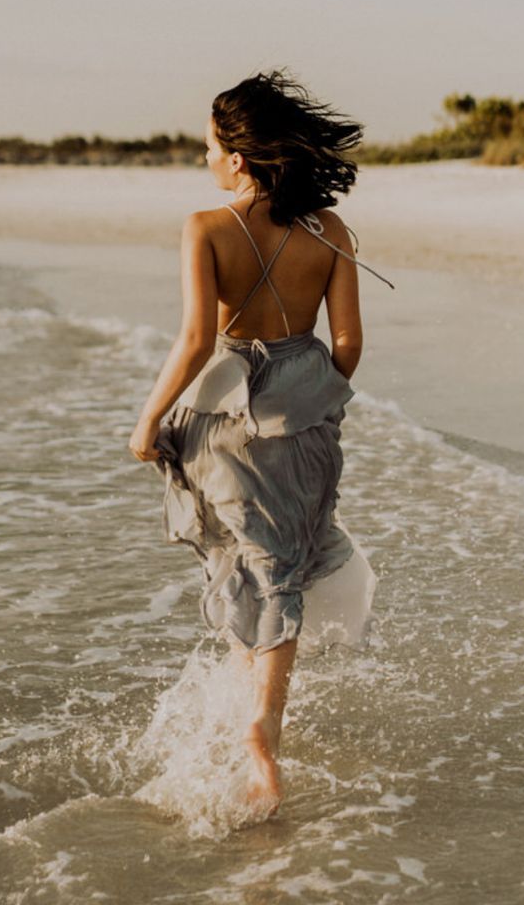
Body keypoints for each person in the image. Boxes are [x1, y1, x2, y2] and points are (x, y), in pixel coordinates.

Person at [128, 70, 393, 815]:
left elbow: (193, 342)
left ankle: (258, 738)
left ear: (239, 159)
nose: (206, 159)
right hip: (302, 416)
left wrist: (148, 423)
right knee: (280, 562)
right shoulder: (329, 230)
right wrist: (308, 399)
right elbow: (348, 346)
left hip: (225, 419)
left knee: (249, 562)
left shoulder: (206, 227)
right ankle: (260, 716)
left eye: (210, 147)